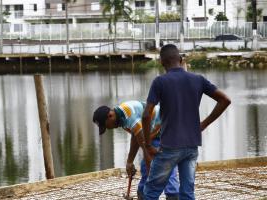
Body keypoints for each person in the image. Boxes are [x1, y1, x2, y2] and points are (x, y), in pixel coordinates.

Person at [142, 44, 231, 200]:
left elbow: (146, 116)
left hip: (169, 146)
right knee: (187, 192)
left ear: (162, 63)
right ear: (181, 60)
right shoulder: (198, 79)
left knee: (151, 191)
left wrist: (148, 145)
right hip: (191, 146)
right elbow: (225, 100)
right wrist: (203, 124)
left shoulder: (160, 82)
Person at [93, 101, 179, 200]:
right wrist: (129, 161)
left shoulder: (129, 115)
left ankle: (172, 195)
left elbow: (145, 147)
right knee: (146, 167)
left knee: (165, 164)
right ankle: (143, 194)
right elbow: (136, 137)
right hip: (153, 134)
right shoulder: (121, 118)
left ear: (110, 116)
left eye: (106, 126)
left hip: (166, 129)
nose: (108, 128)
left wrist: (151, 169)